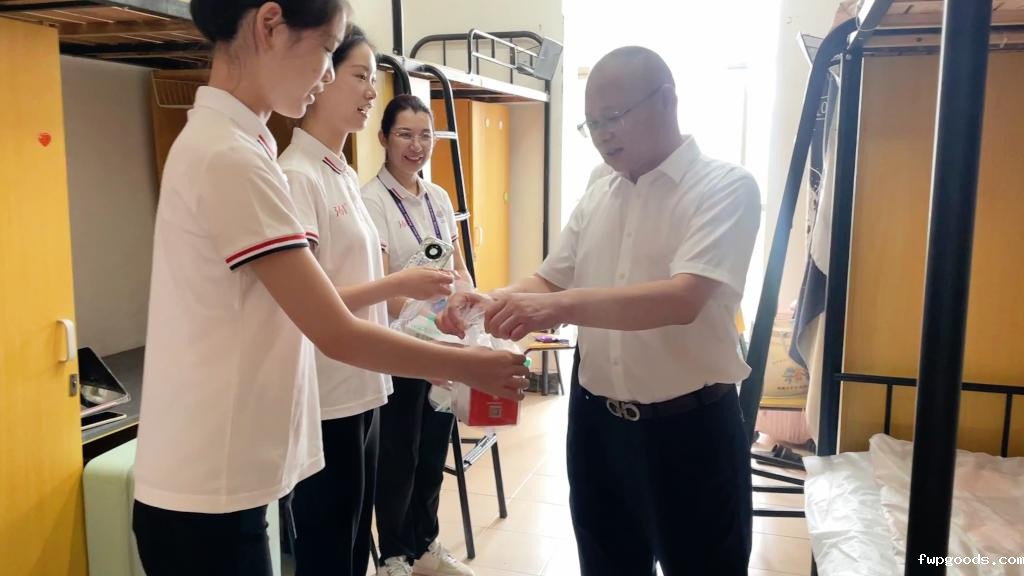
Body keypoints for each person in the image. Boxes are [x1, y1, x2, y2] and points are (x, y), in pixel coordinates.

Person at [131, 3, 528, 575]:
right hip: (207, 485)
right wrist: (467, 364)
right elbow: (335, 329)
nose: (326, 73)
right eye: (326, 50)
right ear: (269, 26)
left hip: (220, 476)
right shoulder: (233, 157)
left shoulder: (241, 147)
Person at [439, 46, 761, 576]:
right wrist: (491, 301)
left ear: (667, 100)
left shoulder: (724, 187)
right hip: (597, 427)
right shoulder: (599, 189)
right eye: (592, 123)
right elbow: (551, 276)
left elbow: (681, 298)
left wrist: (552, 308)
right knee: (606, 563)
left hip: (690, 430)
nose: (603, 134)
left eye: (614, 117)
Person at [277, 26, 455, 576]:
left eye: (372, 79)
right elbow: (309, 302)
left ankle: (417, 547)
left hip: (363, 385)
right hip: (328, 393)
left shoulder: (341, 173)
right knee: (330, 546)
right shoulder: (297, 175)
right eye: (360, 76)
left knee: (355, 542)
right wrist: (402, 285)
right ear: (322, 78)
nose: (370, 90)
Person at [361, 94, 476, 576]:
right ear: (384, 138)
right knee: (398, 456)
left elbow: (458, 266)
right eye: (405, 134)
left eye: (425, 135)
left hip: (443, 345)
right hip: (401, 349)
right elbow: (384, 291)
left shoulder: (439, 198)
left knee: (432, 450)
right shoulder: (371, 200)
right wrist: (430, 322)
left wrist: (469, 303)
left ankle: (425, 544)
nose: (417, 145)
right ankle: (394, 555)